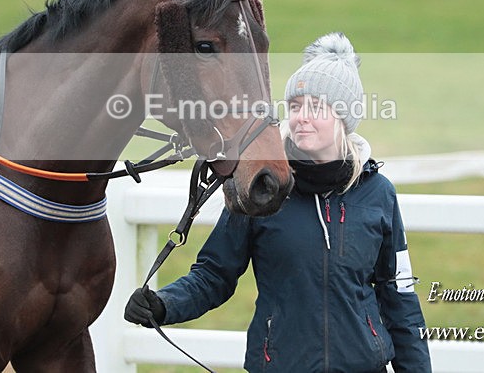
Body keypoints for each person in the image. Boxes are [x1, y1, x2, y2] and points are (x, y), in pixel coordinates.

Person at [125, 32, 431, 372]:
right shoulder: (263, 187)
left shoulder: (378, 194)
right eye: (296, 106)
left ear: (344, 117)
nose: (301, 117)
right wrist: (164, 304)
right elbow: (214, 274)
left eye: (316, 107)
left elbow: (399, 297)